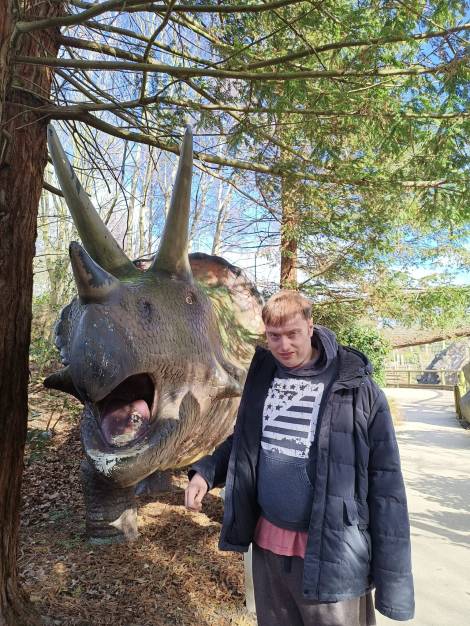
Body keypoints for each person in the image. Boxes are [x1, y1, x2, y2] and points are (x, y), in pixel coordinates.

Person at [185, 290, 414, 625]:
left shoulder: (355, 387)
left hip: (332, 555)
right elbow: (244, 442)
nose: (284, 345)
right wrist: (205, 472)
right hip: (268, 546)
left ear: (310, 326)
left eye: (292, 333)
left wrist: (395, 588)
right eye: (274, 336)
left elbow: (387, 484)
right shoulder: (264, 378)